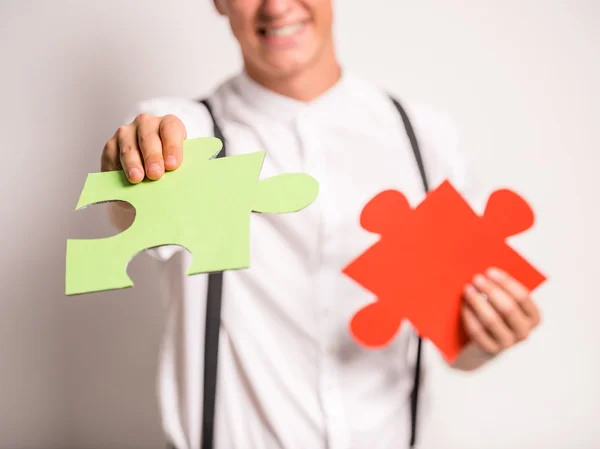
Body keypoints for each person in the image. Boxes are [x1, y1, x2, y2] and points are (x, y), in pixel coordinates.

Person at [100, 1, 542, 448]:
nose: (275, 5)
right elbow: (134, 214)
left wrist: (487, 336)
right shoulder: (184, 134)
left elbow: (458, 346)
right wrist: (132, 169)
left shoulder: (425, 136)